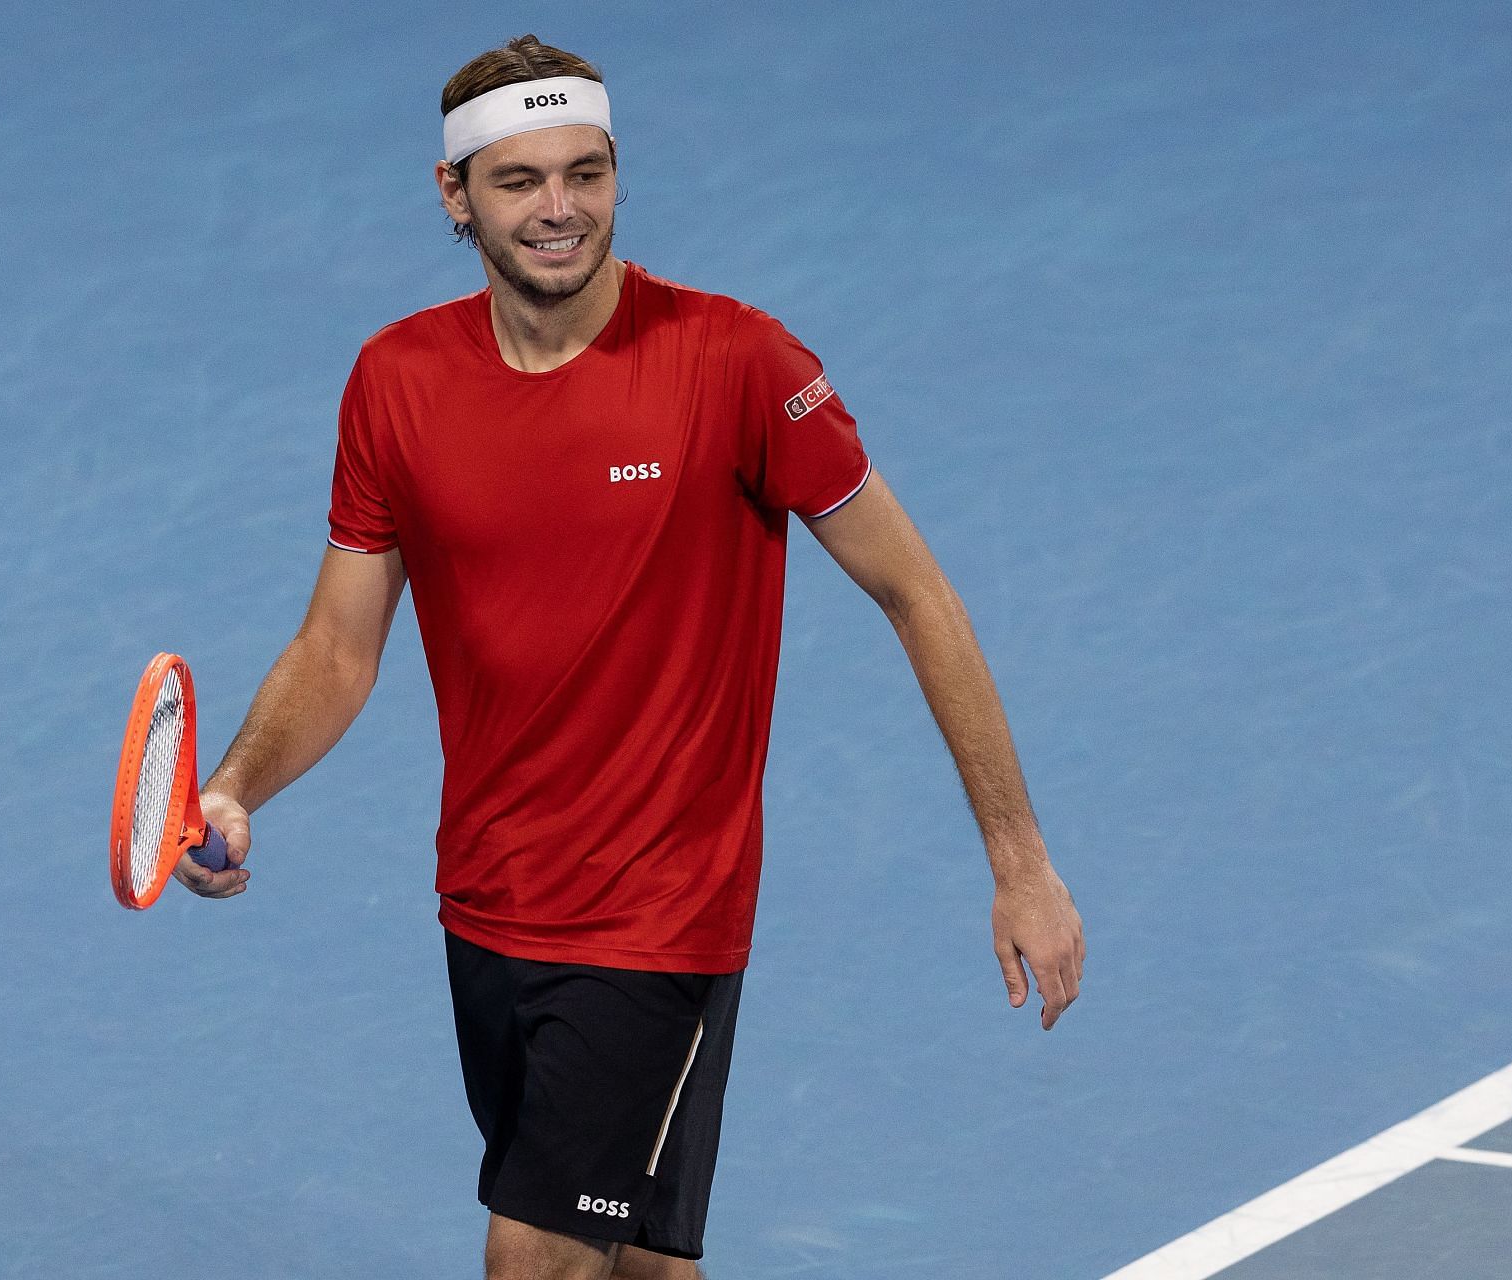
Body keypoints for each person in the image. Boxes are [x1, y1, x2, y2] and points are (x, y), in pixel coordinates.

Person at [175, 34, 1083, 1280]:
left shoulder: (739, 364)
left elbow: (914, 588)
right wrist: (234, 784)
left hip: (662, 916)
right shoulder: (394, 382)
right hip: (488, 900)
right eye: (519, 181)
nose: (560, 209)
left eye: (585, 173)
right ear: (454, 197)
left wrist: (1018, 857)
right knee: (642, 1260)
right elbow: (337, 645)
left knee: (535, 1252)